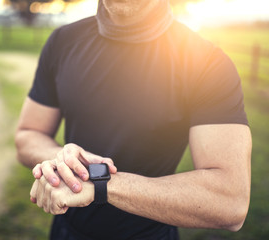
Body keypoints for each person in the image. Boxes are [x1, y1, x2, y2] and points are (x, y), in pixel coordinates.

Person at [15, 0, 252, 239]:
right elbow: (28, 135)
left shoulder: (208, 62)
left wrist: (101, 183)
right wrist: (67, 165)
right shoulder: (63, 41)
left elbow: (230, 201)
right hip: (66, 232)